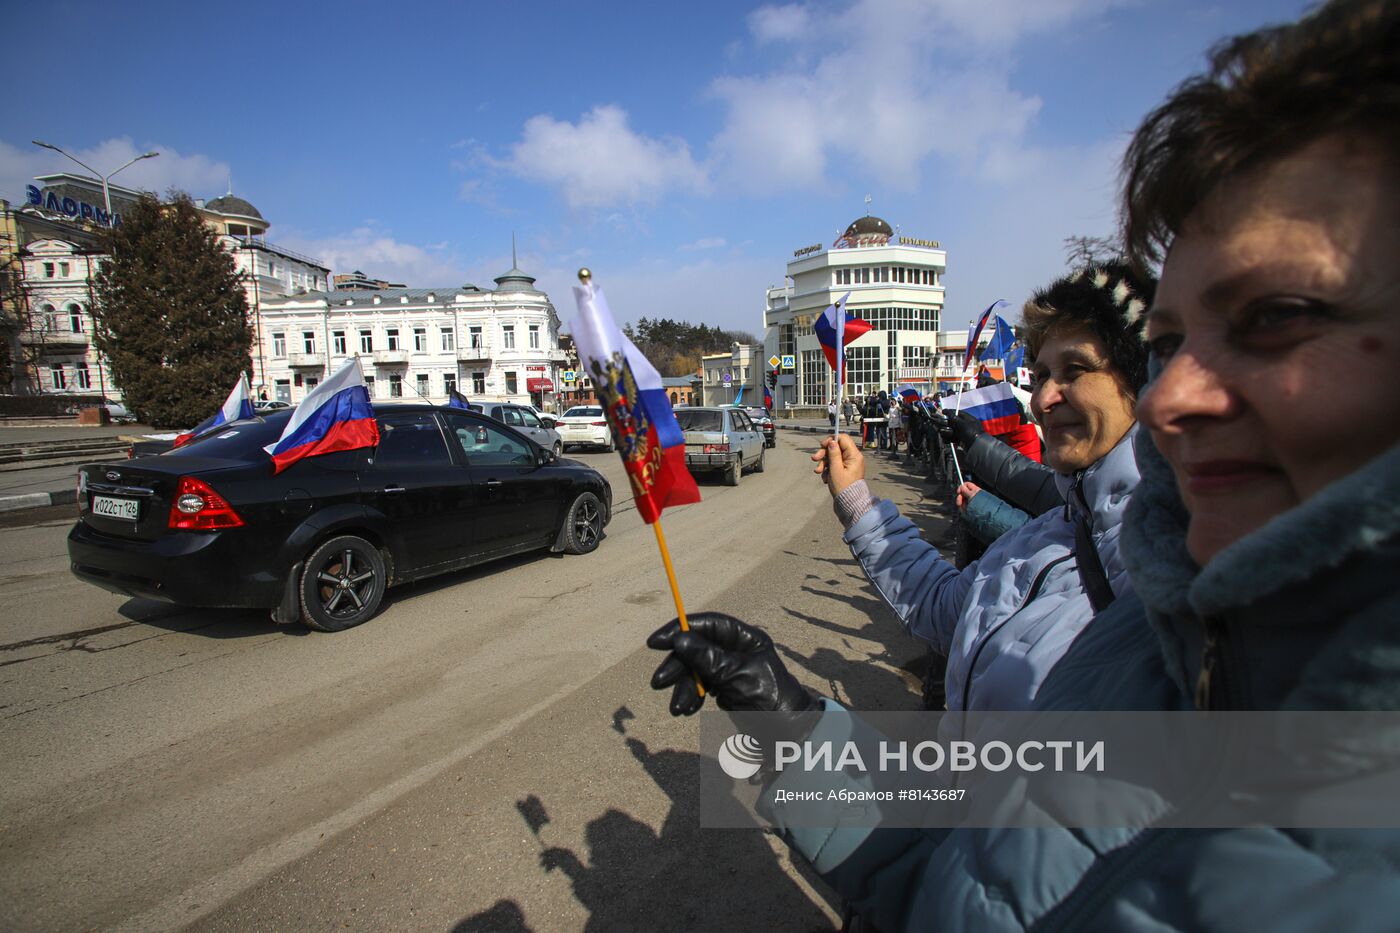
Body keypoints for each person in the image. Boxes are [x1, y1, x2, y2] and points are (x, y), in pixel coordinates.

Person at [650, 1, 1400, 927]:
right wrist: (789, 720)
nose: (1173, 394)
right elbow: (964, 868)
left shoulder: (1136, 592)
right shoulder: (1140, 633)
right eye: (1171, 343)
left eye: (1275, 317)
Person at [653, 261, 1154, 724]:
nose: (1043, 398)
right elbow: (942, 607)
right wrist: (787, 714)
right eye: (1041, 374)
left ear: (1145, 381)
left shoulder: (1166, 578)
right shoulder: (1050, 532)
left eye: (1075, 371)